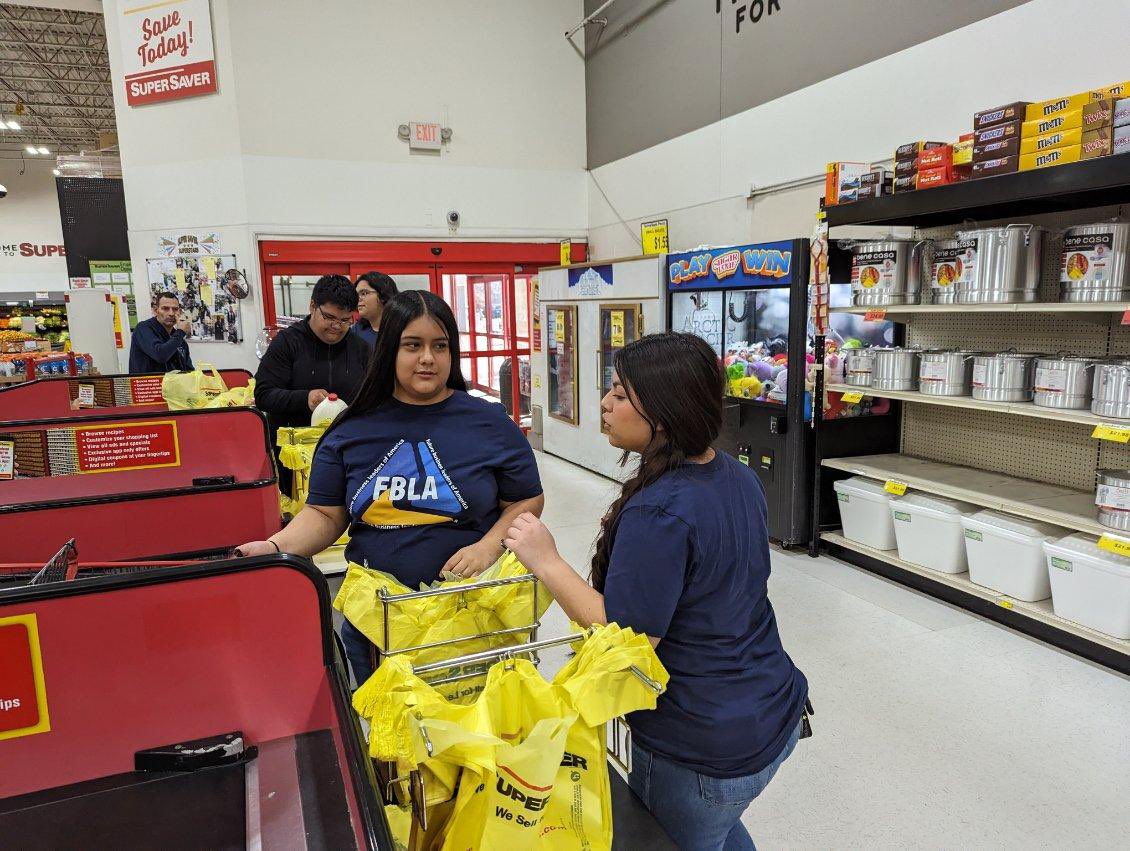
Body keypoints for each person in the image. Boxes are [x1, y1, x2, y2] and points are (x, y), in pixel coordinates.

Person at [504, 332, 809, 851]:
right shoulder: (736, 477)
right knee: (716, 831)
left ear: (663, 415)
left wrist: (545, 559)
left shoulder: (660, 512)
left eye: (620, 394)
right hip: (772, 710)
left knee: (676, 837)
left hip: (701, 747)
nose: (604, 403)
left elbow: (627, 638)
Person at [238, 291, 544, 685]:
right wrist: (276, 546)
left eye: (440, 345)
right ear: (388, 351)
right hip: (379, 623)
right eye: (412, 345)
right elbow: (324, 514)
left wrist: (489, 546)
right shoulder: (352, 428)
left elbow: (526, 499)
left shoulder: (488, 422)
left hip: (471, 619)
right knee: (392, 738)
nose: (428, 358)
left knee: (473, 738)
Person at [255, 275, 371, 493]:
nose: (337, 326)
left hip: (348, 455)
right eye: (330, 317)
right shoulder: (288, 343)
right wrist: (304, 399)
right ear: (312, 306)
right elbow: (263, 394)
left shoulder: (361, 349)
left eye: (346, 320)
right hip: (295, 463)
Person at [129, 291, 194, 374]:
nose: (171, 313)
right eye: (165, 308)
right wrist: (180, 332)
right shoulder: (143, 328)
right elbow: (160, 355)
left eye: (175, 309)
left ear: (180, 312)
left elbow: (188, 370)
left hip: (172, 385)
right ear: (156, 310)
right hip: (149, 385)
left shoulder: (179, 339)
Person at [351, 271, 399, 347]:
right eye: (357, 295)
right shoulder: (357, 329)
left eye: (364, 293)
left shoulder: (402, 328)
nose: (358, 299)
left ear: (383, 295)